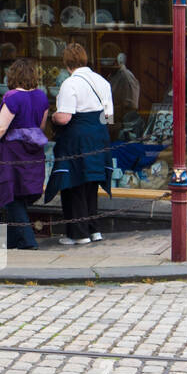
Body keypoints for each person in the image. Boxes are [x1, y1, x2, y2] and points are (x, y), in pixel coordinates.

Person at [43, 41, 113, 244]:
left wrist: (53, 117)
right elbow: (109, 117)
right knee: (91, 182)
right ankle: (94, 230)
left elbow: (64, 118)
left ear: (66, 64)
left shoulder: (70, 83)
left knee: (73, 183)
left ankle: (79, 234)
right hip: (99, 136)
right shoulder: (102, 81)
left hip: (76, 138)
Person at [0, 57, 48, 250]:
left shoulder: (11, 97)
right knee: (21, 194)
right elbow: (41, 126)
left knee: (11, 195)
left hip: (12, 152)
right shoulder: (42, 96)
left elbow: (1, 128)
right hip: (33, 151)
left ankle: (28, 241)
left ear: (13, 76)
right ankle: (10, 242)